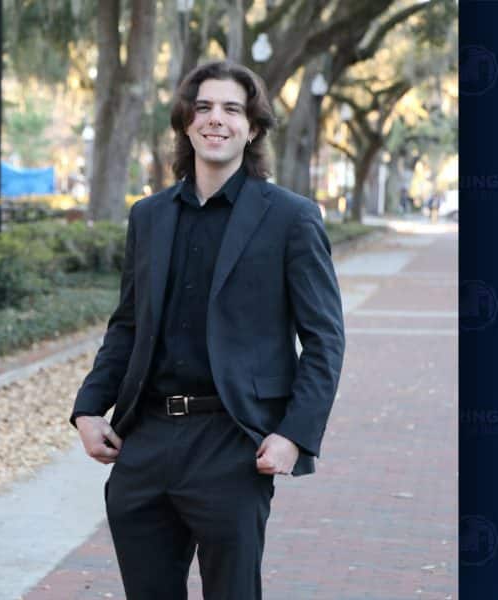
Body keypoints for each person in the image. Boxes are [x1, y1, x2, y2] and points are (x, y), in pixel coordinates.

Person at [69, 60, 346, 600]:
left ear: (254, 127)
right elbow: (127, 324)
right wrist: (87, 408)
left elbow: (324, 338)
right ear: (186, 122)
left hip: (233, 444)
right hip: (144, 442)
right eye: (203, 107)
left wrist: (294, 435)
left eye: (232, 109)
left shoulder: (292, 218)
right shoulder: (147, 216)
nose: (216, 119)